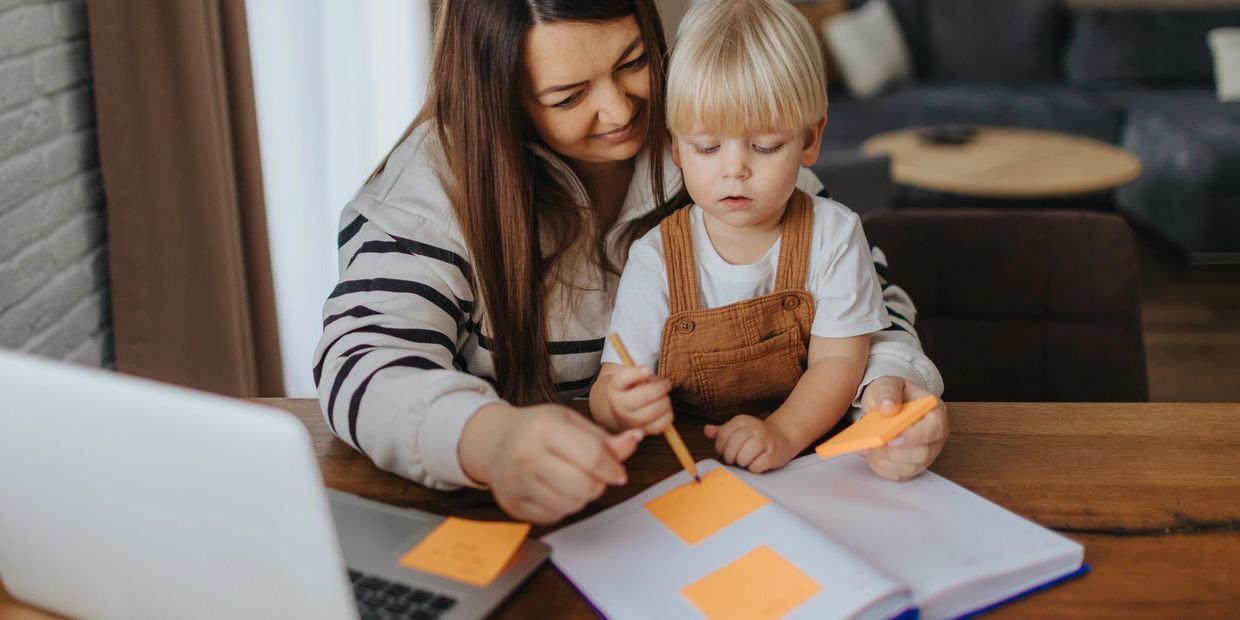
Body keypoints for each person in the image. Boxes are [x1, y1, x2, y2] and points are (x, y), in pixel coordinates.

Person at [313, 0, 947, 525]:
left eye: (635, 62)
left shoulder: (711, 131)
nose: (621, 113)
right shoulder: (430, 196)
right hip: (531, 518)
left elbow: (869, 297)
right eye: (566, 96)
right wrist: (489, 440)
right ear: (500, 100)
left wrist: (891, 389)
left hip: (743, 495)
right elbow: (361, 364)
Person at [590, 0, 895, 474]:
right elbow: (613, 381)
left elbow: (838, 363)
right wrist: (618, 404)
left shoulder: (833, 234)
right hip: (689, 466)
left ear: (811, 140)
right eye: (707, 147)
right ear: (675, 146)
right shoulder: (656, 257)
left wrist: (781, 433)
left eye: (765, 146)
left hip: (806, 455)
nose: (734, 170)